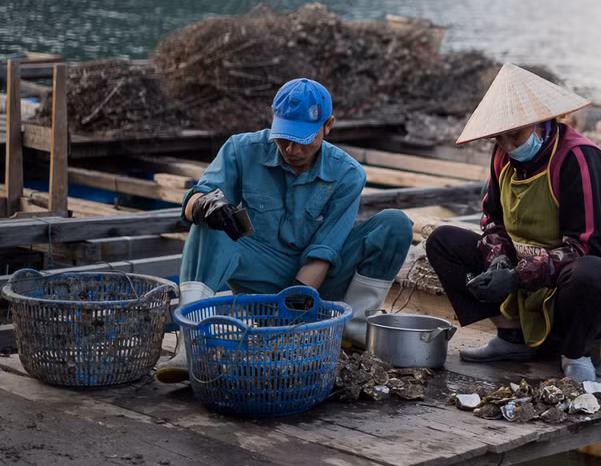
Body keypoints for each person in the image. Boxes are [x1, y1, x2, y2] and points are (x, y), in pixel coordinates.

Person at [156, 78, 413, 383]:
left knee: (395, 224)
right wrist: (202, 204)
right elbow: (192, 202)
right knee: (208, 224)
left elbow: (324, 251)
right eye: (284, 138)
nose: (292, 149)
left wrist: (292, 313)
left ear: (328, 125)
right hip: (261, 274)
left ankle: (351, 331)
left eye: (303, 139)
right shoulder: (241, 149)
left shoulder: (348, 173)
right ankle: (193, 344)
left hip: (318, 281)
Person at [425, 64, 601, 383]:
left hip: (592, 291)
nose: (509, 145)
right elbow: (493, 220)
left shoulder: (579, 159)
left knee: (590, 273)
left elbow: (585, 247)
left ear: (539, 121)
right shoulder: (502, 157)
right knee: (443, 242)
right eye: (500, 137)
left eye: (516, 134)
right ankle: (512, 339)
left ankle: (576, 352)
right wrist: (497, 259)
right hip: (527, 281)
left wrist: (515, 277)